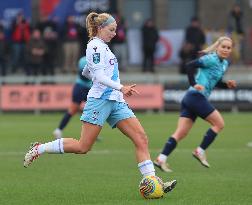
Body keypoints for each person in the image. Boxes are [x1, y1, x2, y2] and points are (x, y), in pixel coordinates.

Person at [23, 12, 177, 193]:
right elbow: (98, 75)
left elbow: (88, 72)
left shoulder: (103, 47)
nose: (114, 34)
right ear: (100, 28)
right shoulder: (95, 46)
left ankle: (152, 182)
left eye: (115, 30)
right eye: (111, 30)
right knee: (83, 147)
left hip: (116, 101)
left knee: (141, 138)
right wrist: (121, 87)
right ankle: (40, 148)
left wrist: (107, 84)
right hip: (100, 100)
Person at [154, 36, 237, 172]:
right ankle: (200, 151)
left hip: (191, 98)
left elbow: (215, 82)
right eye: (223, 46)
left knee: (180, 133)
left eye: (229, 47)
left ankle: (161, 159)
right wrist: (194, 84)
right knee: (219, 124)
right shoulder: (210, 59)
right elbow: (189, 65)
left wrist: (227, 85)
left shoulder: (224, 64)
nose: (226, 49)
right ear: (217, 47)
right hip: (195, 96)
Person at [53, 56, 92, 139]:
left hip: (85, 88)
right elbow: (83, 75)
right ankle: (59, 130)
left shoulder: (92, 59)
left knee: (92, 110)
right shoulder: (84, 60)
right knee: (73, 110)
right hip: (82, 88)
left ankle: (90, 133)